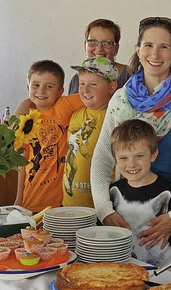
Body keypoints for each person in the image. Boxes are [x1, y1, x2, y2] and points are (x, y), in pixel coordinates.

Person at [90, 16, 171, 278]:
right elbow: (101, 159)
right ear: (137, 50)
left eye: (164, 47)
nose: (155, 54)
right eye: (148, 45)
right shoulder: (121, 99)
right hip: (129, 218)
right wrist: (105, 209)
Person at [108, 119, 171, 271]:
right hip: (122, 274)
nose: (131, 164)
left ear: (153, 155)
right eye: (123, 158)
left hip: (164, 276)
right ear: (115, 158)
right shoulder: (112, 192)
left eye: (139, 156)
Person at [13, 60, 84, 213]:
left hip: (59, 205)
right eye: (35, 85)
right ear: (28, 88)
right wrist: (18, 199)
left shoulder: (63, 106)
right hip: (29, 200)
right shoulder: (24, 120)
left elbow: (91, 95)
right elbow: (22, 161)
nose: (41, 91)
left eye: (49, 86)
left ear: (60, 91)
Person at [63, 56, 119, 207]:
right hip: (69, 204)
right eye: (82, 84)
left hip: (100, 207)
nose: (85, 90)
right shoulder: (75, 114)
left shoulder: (115, 119)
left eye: (93, 84)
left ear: (112, 87)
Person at [68, 19, 131, 94]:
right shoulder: (76, 79)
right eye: (92, 42)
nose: (99, 49)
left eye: (107, 43)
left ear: (116, 48)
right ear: (85, 45)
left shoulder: (130, 76)